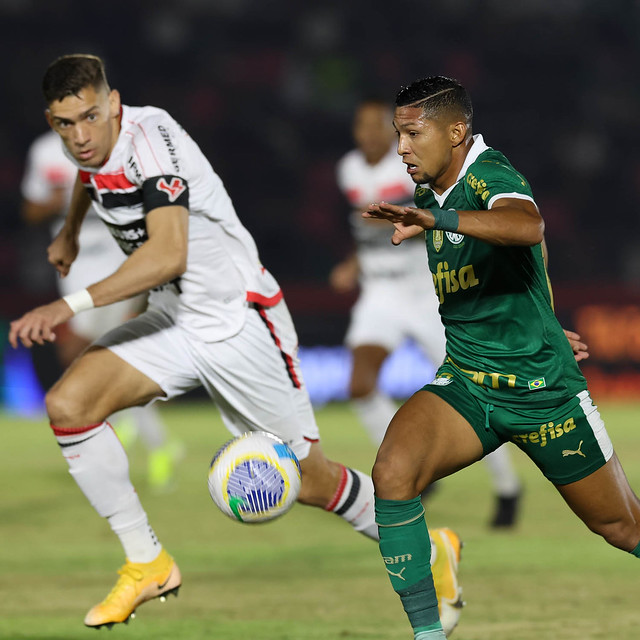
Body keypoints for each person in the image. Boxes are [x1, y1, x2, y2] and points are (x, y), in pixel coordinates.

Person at [9, 55, 463, 634]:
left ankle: (430, 549)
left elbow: (168, 254)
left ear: (114, 104)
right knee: (68, 406)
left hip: (237, 321)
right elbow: (87, 172)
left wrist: (68, 302)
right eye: (63, 124)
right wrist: (71, 233)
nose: (79, 136)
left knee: (312, 480)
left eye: (89, 118)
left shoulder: (154, 143)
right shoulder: (93, 145)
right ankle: (147, 561)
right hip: (174, 317)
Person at [364, 75, 640, 640]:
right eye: (399, 134)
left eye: (413, 133)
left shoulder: (490, 175)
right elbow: (533, 251)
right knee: (393, 473)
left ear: (457, 131)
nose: (401, 148)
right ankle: (428, 634)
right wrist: (547, 317)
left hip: (542, 394)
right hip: (467, 383)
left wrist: (437, 221)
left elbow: (528, 225)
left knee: (620, 527)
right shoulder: (428, 191)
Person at [330, 98, 522, 527]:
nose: (368, 133)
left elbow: (439, 221)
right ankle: (411, 468)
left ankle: (508, 486)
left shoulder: (413, 166)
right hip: (379, 292)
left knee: (476, 389)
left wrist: (408, 220)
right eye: (361, 125)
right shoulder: (349, 170)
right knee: (360, 384)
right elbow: (367, 231)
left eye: (378, 125)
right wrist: (353, 263)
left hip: (426, 291)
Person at [20, 129, 181, 491]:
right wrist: (55, 203)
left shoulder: (114, 143)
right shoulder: (44, 151)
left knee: (78, 352)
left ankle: (130, 434)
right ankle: (150, 437)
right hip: (75, 266)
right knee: (102, 360)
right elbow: (29, 208)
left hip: (115, 260)